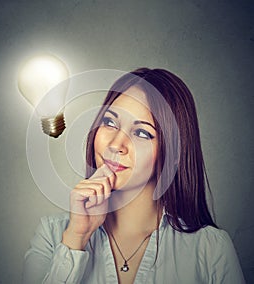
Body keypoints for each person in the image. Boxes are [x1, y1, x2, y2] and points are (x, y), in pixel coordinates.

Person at [22, 68, 245, 284]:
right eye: (110, 122)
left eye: (141, 133)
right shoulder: (53, 235)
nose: (116, 145)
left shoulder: (210, 249)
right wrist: (76, 239)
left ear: (174, 152)